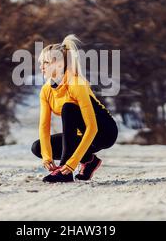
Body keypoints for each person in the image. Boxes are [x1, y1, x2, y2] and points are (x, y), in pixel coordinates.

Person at [31, 34, 118, 183]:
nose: (41, 67)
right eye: (41, 63)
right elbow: (44, 126)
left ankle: (64, 172)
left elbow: (92, 127)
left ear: (58, 64)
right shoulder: (46, 91)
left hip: (104, 132)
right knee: (37, 147)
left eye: (45, 62)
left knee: (68, 108)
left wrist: (70, 164)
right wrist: (47, 156)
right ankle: (90, 161)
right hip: (83, 135)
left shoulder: (76, 84)